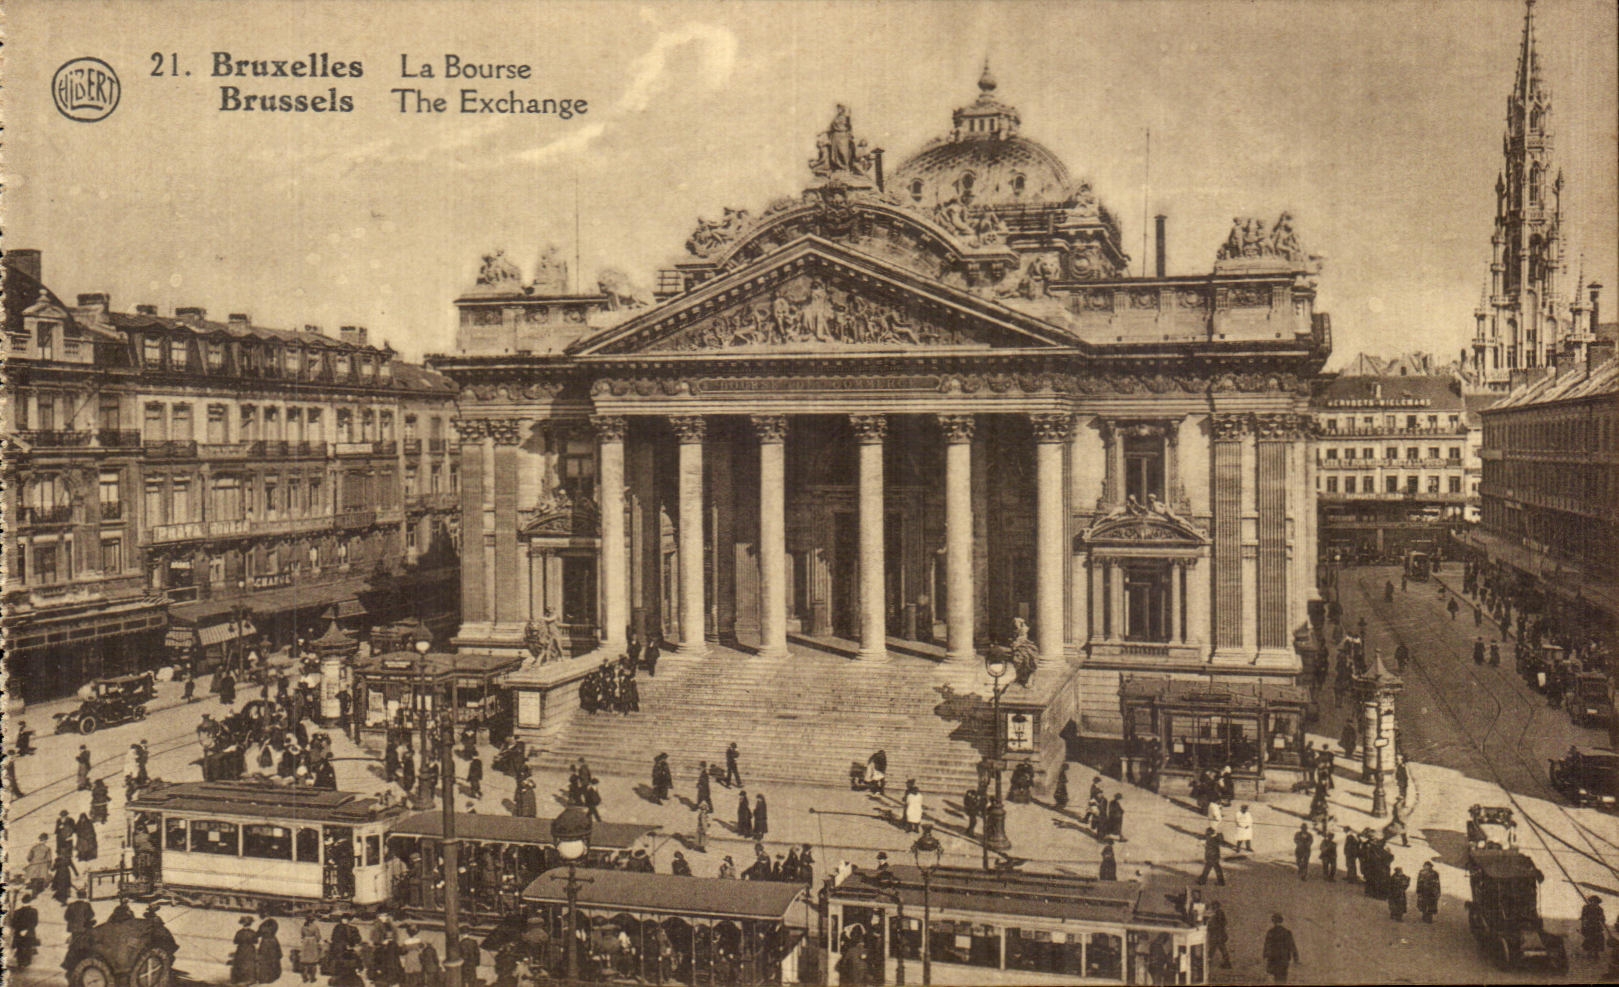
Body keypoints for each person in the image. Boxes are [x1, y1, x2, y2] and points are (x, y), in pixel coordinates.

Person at [1262, 913, 1300, 984]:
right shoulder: (1287, 932)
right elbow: (1292, 946)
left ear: (1273, 921)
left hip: (1274, 960)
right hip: (1284, 960)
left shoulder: (1270, 932)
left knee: (1276, 978)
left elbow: (1267, 946)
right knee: (1283, 978)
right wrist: (1296, 959)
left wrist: (1265, 957)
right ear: (1281, 921)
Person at [231, 916, 259, 985]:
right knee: (250, 963)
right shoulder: (253, 932)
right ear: (250, 924)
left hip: (241, 949)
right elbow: (256, 941)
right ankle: (250, 979)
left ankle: (239, 979)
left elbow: (235, 941)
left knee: (240, 963)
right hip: (250, 950)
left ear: (242, 924)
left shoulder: (239, 932)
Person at [257, 918, 284, 984]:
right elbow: (279, 954)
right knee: (272, 962)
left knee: (265, 963)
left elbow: (257, 934)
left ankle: (265, 979)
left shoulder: (263, 928)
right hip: (273, 944)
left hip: (265, 945)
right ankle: (272, 977)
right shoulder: (274, 937)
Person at [298, 917, 324, 983]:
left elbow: (302, 935)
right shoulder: (315, 927)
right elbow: (318, 937)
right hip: (312, 944)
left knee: (304, 962)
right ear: (313, 920)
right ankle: (312, 978)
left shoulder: (303, 927)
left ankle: (304, 977)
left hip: (305, 943)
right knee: (313, 962)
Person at [1207, 901, 1231, 969]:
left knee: (1213, 948)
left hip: (1217, 934)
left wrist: (1211, 927)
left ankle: (1208, 962)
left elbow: (1221, 923)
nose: (1212, 907)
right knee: (1221, 948)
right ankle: (1226, 962)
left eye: (1213, 906)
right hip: (1218, 934)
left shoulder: (1218, 913)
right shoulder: (1218, 913)